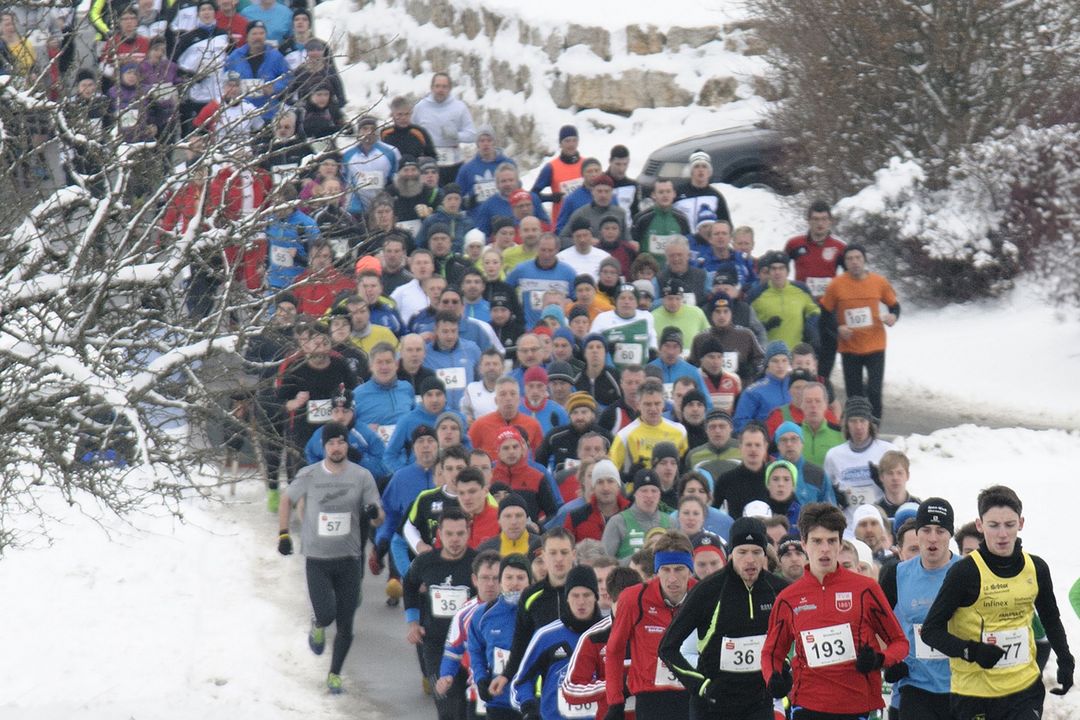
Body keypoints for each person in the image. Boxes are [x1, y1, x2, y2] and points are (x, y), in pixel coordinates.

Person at [921, 485, 1074, 719]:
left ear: (1021, 523)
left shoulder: (1037, 568)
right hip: (975, 694)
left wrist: (1065, 659)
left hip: (1024, 689)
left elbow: (1051, 619)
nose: (1002, 534)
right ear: (980, 525)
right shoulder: (964, 572)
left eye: (1009, 525)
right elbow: (931, 631)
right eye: (994, 525)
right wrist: (972, 650)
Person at [761, 502, 909, 720]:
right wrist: (772, 677)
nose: (825, 549)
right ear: (804, 543)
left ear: (840, 544)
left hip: (856, 705)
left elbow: (899, 642)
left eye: (831, 541)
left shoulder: (866, 589)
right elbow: (771, 653)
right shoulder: (787, 598)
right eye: (817, 541)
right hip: (807, 704)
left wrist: (880, 660)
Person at [276, 422, 384, 694]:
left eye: (341, 442)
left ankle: (335, 674)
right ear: (324, 447)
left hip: (348, 558)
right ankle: (317, 624)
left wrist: (372, 513)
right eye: (331, 443)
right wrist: (283, 534)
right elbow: (287, 499)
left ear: (347, 445)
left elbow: (379, 515)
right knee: (327, 613)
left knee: (346, 623)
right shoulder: (309, 474)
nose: (336, 447)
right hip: (317, 559)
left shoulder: (361, 476)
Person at [659, 516, 789, 720]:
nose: (750, 560)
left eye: (756, 552)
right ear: (730, 554)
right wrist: (700, 686)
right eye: (742, 552)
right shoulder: (708, 591)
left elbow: (789, 639)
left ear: (765, 554)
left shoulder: (779, 590)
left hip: (758, 704)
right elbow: (667, 648)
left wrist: (784, 670)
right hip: (713, 706)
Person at [877, 498, 959, 720]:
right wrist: (890, 660)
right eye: (926, 529)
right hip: (915, 686)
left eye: (940, 530)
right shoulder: (896, 574)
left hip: (961, 686)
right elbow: (877, 626)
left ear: (950, 535)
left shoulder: (967, 571)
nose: (933, 538)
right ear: (918, 532)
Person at [605, 530, 698, 719]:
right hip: (651, 699)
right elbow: (614, 650)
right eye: (666, 569)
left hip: (692, 694)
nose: (672, 578)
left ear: (690, 569)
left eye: (679, 569)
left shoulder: (702, 595)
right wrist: (615, 701)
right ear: (657, 571)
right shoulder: (634, 599)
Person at [404, 508, 479, 718]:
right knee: (447, 706)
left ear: (468, 532)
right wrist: (412, 621)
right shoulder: (426, 562)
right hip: (436, 646)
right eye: (449, 534)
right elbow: (409, 585)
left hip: (469, 648)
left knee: (466, 709)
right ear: (439, 533)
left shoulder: (477, 563)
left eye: (460, 534)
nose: (455, 539)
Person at [511, 565, 603, 719]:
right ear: (567, 597)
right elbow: (521, 681)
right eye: (575, 595)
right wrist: (528, 707)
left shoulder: (611, 633)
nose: (581, 602)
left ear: (596, 596)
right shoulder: (546, 636)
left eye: (586, 595)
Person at [820, 244, 900, 420]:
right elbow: (825, 315)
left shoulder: (879, 282)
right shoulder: (836, 285)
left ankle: (875, 429)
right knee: (854, 395)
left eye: (858, 258)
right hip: (850, 348)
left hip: (875, 345)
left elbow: (895, 306)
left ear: (864, 260)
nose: (854, 262)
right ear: (845, 263)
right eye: (850, 259)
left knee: (874, 391)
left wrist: (893, 317)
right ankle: (856, 428)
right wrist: (838, 328)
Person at [495, 528, 578, 691]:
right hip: (545, 685)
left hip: (583, 683)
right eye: (553, 553)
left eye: (564, 552)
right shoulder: (531, 596)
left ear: (573, 554)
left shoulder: (587, 590)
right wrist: (507, 675)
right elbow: (521, 641)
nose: (559, 559)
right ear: (544, 556)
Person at [374, 424, 438, 605]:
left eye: (430, 441)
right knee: (417, 602)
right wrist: (382, 541)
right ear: (413, 448)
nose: (426, 446)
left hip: (441, 545)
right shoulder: (401, 477)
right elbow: (390, 514)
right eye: (420, 442)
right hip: (409, 547)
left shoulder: (446, 474)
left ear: (438, 446)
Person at [436, 549, 503, 718]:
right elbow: (452, 652)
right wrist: (446, 676)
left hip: (509, 694)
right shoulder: (464, 614)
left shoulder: (517, 611)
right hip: (477, 694)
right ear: (474, 579)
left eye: (496, 578)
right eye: (485, 578)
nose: (490, 584)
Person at [784, 200, 846, 379]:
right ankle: (801, 378)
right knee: (808, 345)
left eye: (824, 219)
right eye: (816, 219)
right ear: (808, 221)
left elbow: (849, 276)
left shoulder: (838, 247)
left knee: (829, 344)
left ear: (830, 222)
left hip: (828, 306)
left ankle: (823, 380)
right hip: (803, 304)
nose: (820, 224)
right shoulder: (795, 244)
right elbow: (781, 267)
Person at [469, 553, 534, 719]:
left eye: (520, 578)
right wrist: (481, 678)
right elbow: (476, 651)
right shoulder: (483, 615)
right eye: (509, 577)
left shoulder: (538, 613)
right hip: (499, 700)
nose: (514, 583)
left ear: (529, 581)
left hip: (530, 701)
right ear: (500, 581)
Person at [824, 396, 897, 515]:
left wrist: (884, 485)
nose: (858, 427)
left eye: (862, 421)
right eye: (853, 421)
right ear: (846, 424)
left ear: (870, 423)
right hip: (848, 526)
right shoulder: (834, 455)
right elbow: (826, 493)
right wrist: (836, 497)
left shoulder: (888, 451)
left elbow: (901, 489)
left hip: (881, 522)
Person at [608, 380, 688, 481]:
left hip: (670, 492)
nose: (653, 409)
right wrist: (628, 476)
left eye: (657, 403)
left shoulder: (679, 431)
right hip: (637, 493)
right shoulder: (625, 435)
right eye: (648, 404)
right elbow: (610, 471)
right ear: (638, 405)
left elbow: (685, 467)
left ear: (664, 404)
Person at [411, 72, 478, 184]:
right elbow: (412, 133)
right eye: (437, 86)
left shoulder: (459, 107)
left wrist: (456, 136)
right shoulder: (420, 107)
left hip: (453, 164)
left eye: (444, 87)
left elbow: (472, 135)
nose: (440, 90)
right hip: (427, 166)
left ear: (450, 88)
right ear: (432, 88)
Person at [505, 233, 578, 329]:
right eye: (543, 250)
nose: (546, 255)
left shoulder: (568, 273)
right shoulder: (522, 269)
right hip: (529, 330)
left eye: (550, 250)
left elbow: (576, 301)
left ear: (557, 250)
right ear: (537, 248)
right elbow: (505, 291)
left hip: (557, 332)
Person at [752, 251, 820, 350]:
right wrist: (765, 326)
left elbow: (815, 310)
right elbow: (747, 323)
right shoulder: (756, 294)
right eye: (773, 268)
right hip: (768, 354)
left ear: (787, 271)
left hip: (796, 352)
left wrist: (810, 328)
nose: (777, 272)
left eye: (781, 268)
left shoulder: (801, 289)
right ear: (769, 271)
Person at [711, 422, 771, 519]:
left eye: (757, 445)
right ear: (740, 447)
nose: (753, 449)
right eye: (748, 445)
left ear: (765, 447)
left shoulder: (775, 478)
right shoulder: (726, 480)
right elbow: (713, 513)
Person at [531, 124, 584, 226]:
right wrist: (551, 198)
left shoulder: (586, 165)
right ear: (560, 144)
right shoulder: (551, 167)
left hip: (585, 223)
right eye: (567, 141)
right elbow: (533, 195)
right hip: (563, 224)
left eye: (574, 140)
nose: (571, 144)